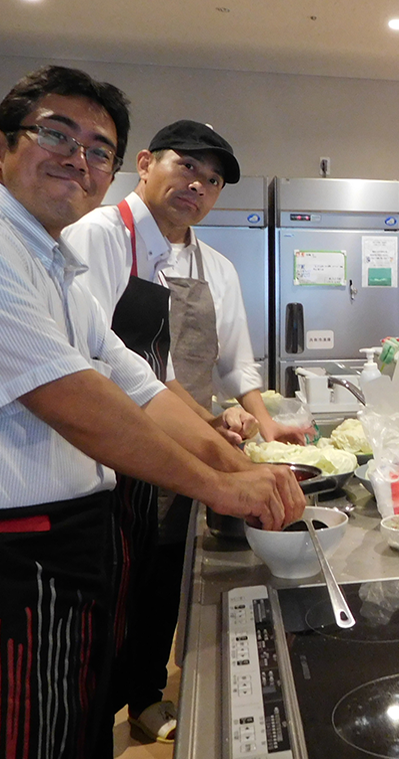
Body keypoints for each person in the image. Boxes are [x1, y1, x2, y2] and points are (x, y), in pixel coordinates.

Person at [0, 65, 304, 759]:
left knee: (72, 716)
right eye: (55, 134)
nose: (78, 159)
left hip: (77, 524)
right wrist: (224, 483)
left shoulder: (54, 263)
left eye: (94, 150)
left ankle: (133, 701)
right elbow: (74, 398)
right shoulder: (52, 244)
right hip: (22, 546)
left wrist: (237, 457)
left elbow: (133, 378)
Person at [64, 120, 307, 741]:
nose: (198, 185)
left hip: (191, 435)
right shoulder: (98, 234)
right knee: (114, 583)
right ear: (145, 164)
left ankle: (144, 696)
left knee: (164, 573)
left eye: (213, 179)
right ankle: (103, 706)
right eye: (187, 167)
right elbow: (108, 361)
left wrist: (261, 421)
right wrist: (212, 428)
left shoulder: (213, 264)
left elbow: (234, 362)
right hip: (113, 441)